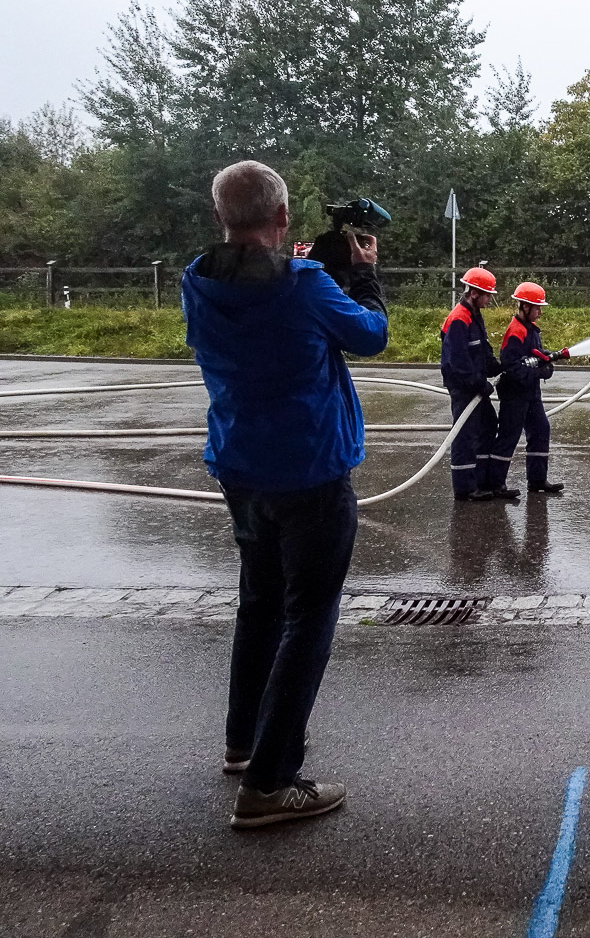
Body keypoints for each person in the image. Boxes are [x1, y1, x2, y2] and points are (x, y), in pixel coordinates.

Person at [180, 159, 387, 829]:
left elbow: (253, 288)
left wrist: (317, 270)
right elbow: (371, 335)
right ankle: (271, 784)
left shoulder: (196, 279)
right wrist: (362, 274)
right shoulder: (305, 284)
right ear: (284, 217)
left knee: (260, 604)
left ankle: (244, 743)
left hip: (241, 471)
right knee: (309, 618)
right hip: (311, 474)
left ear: (221, 218)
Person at [494, 282, 570, 495]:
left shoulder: (530, 328)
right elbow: (510, 366)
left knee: (540, 430)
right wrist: (539, 372)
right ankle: (496, 483)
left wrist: (552, 355)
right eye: (537, 307)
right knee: (509, 435)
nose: (540, 311)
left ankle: (537, 480)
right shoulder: (515, 331)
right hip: (515, 393)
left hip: (530, 393)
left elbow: (534, 352)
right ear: (525, 307)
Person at [440, 267, 507, 501]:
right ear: (474, 293)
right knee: (464, 434)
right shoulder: (459, 318)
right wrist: (479, 383)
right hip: (463, 386)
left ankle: (480, 479)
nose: (490, 299)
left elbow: (483, 351)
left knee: (488, 425)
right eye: (487, 294)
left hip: (474, 385)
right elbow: (458, 360)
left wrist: (499, 367)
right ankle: (464, 488)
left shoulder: (474, 315)